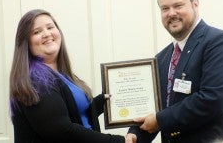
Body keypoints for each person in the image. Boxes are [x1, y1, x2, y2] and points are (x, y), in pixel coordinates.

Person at [126, 0, 223, 143]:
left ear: (195, 4)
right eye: (165, 8)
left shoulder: (220, 42)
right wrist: (136, 134)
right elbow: (156, 107)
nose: (171, 13)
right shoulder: (161, 59)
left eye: (178, 5)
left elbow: (213, 98)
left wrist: (160, 120)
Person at [9, 9, 133, 143]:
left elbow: (74, 114)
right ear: (26, 42)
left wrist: (103, 101)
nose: (46, 33)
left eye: (50, 27)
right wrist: (119, 141)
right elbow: (62, 131)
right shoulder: (36, 80)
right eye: (36, 32)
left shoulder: (61, 75)